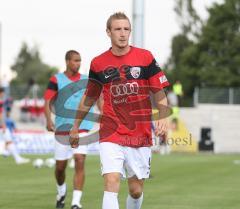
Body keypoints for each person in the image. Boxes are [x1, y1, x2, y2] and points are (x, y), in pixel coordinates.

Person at [69, 12, 170, 209]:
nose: (122, 34)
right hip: (111, 131)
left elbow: (159, 90)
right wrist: (75, 127)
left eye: (126, 29)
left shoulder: (145, 57)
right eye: (117, 29)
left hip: (139, 134)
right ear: (108, 32)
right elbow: (89, 97)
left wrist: (163, 115)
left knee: (136, 190)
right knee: (111, 182)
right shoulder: (98, 63)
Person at [44, 50, 95, 209]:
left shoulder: (87, 80)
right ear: (67, 61)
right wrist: (48, 119)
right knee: (60, 168)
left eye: (80, 60)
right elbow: (47, 101)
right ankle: (61, 192)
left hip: (82, 127)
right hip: (62, 128)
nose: (78, 63)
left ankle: (75, 203)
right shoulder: (56, 79)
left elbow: (97, 98)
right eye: (75, 60)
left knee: (80, 160)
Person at [0, 87, 30, 164]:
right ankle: (18, 159)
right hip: (1, 126)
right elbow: (0, 114)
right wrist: (3, 125)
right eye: (2, 92)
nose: (3, 94)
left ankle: (17, 158)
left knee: (9, 141)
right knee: (9, 141)